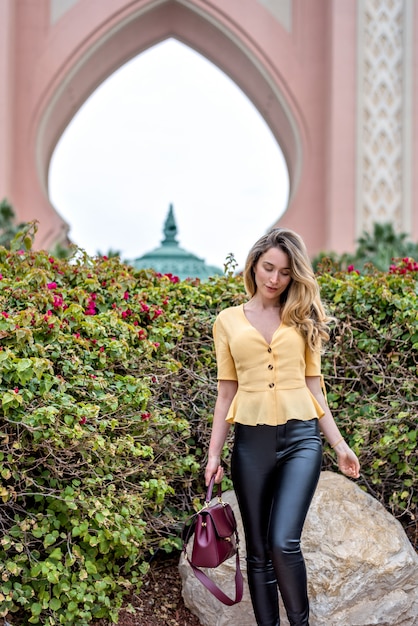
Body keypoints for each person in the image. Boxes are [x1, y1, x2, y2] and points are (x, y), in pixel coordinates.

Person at [204, 228, 360, 626]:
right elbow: (226, 393)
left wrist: (339, 444)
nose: (274, 279)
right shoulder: (227, 321)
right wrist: (213, 455)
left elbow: (314, 386)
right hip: (250, 444)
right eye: (268, 268)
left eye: (285, 272)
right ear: (254, 265)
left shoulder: (303, 317)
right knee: (257, 550)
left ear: (295, 276)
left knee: (282, 542)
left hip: (301, 439)